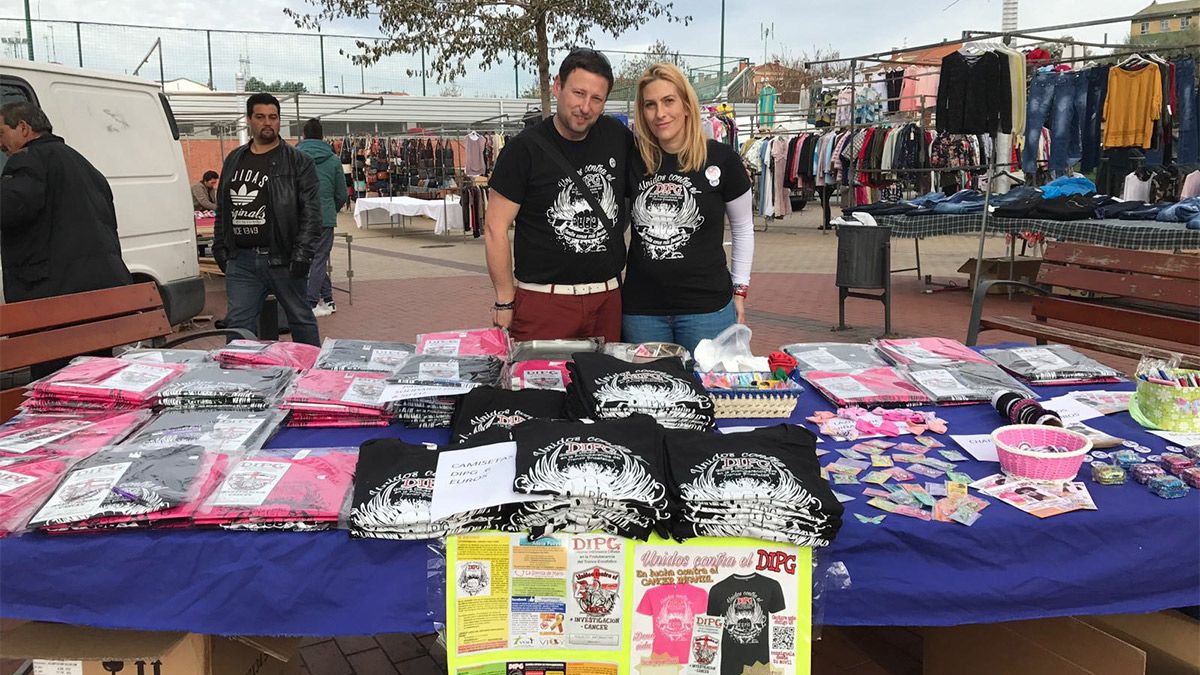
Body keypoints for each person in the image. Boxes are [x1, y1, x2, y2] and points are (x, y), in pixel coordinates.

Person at [485, 48, 634, 342]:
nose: (585, 107)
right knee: (539, 386)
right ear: (557, 86)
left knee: (602, 386)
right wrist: (504, 299)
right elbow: (494, 228)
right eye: (578, 93)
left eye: (597, 99)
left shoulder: (618, 138)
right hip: (544, 302)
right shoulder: (523, 149)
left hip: (607, 299)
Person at [620, 63, 754, 354]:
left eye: (669, 101)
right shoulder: (633, 160)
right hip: (642, 312)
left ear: (686, 105)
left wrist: (740, 291)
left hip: (706, 310)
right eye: (650, 105)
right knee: (647, 396)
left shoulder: (721, 159)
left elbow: (743, 228)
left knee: (708, 394)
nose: (660, 114)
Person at [212, 92, 322, 346]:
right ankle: (239, 377)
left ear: (279, 120)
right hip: (242, 260)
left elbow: (311, 213)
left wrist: (302, 255)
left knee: (301, 319)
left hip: (283, 258)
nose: (267, 123)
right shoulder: (234, 159)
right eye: (260, 117)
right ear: (249, 119)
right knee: (238, 326)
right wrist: (220, 247)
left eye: (273, 117)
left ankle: (312, 375)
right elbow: (223, 207)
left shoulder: (298, 162)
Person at [0, 101, 132, 304]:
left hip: (55, 293)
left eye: (1, 133)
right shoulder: (82, 163)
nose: (0, 144)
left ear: (23, 128)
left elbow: (9, 208)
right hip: (105, 287)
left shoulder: (27, 160)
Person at [296, 117, 347, 317]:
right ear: (323, 136)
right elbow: (342, 194)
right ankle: (318, 301)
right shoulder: (333, 160)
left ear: (304, 135)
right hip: (324, 217)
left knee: (311, 259)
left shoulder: (294, 157)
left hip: (300, 217)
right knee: (319, 259)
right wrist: (330, 209)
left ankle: (319, 300)